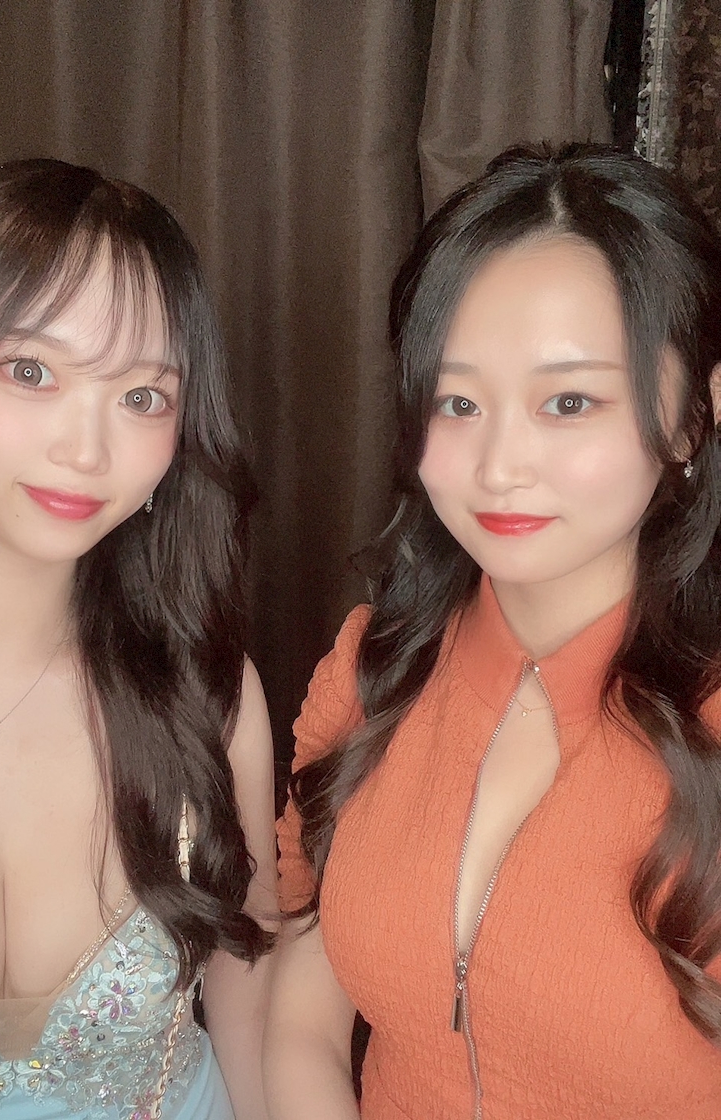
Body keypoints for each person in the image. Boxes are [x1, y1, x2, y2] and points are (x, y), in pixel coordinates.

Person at [265, 145, 721, 1119]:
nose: (500, 465)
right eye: (458, 401)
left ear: (693, 418)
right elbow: (303, 1021)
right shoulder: (375, 668)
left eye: (569, 402)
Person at [0, 158, 277, 1119]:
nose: (87, 449)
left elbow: (256, 1032)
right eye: (31, 372)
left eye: (143, 396)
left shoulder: (207, 692)